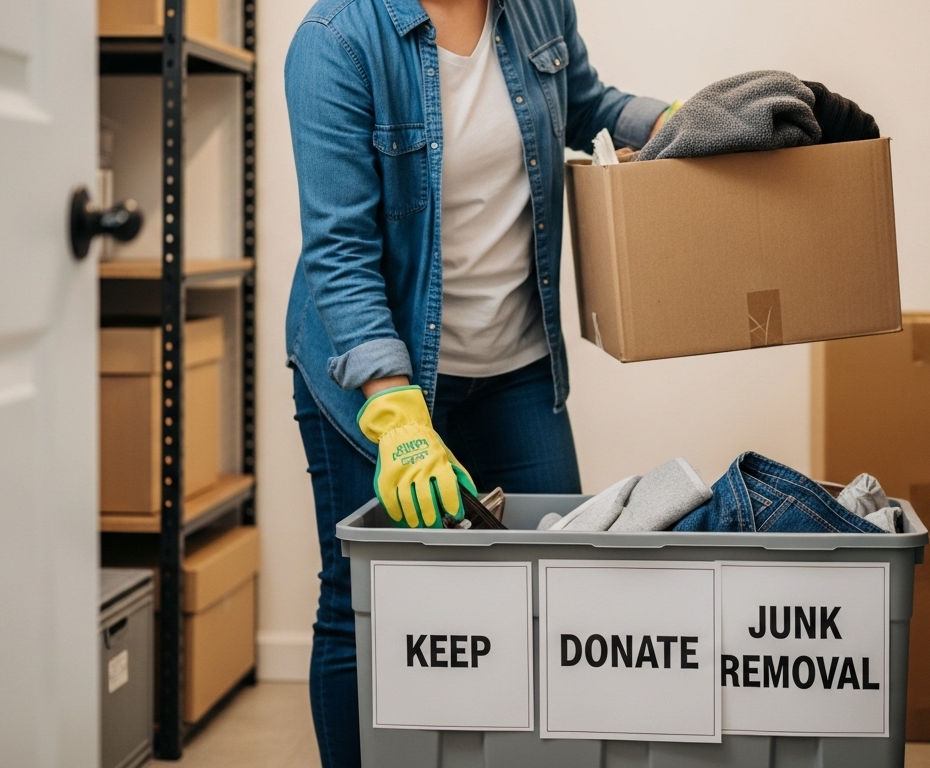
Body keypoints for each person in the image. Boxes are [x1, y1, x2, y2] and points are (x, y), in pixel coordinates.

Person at [283, 0, 669, 763]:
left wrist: (681, 121)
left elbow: (587, 104)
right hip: (375, 376)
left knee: (553, 577)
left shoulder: (535, 9)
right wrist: (396, 417)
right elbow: (340, 251)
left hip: (514, 365)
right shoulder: (334, 43)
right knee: (360, 599)